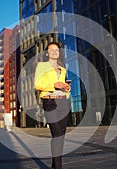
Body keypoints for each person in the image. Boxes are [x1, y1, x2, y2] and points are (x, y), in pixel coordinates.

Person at [34, 41, 71, 169]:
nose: (54, 51)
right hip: (50, 102)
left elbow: (63, 87)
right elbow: (37, 84)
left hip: (63, 102)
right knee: (57, 135)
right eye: (51, 49)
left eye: (56, 49)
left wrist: (66, 87)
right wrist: (53, 85)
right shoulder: (42, 66)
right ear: (47, 53)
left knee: (60, 137)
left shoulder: (63, 69)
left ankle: (54, 165)